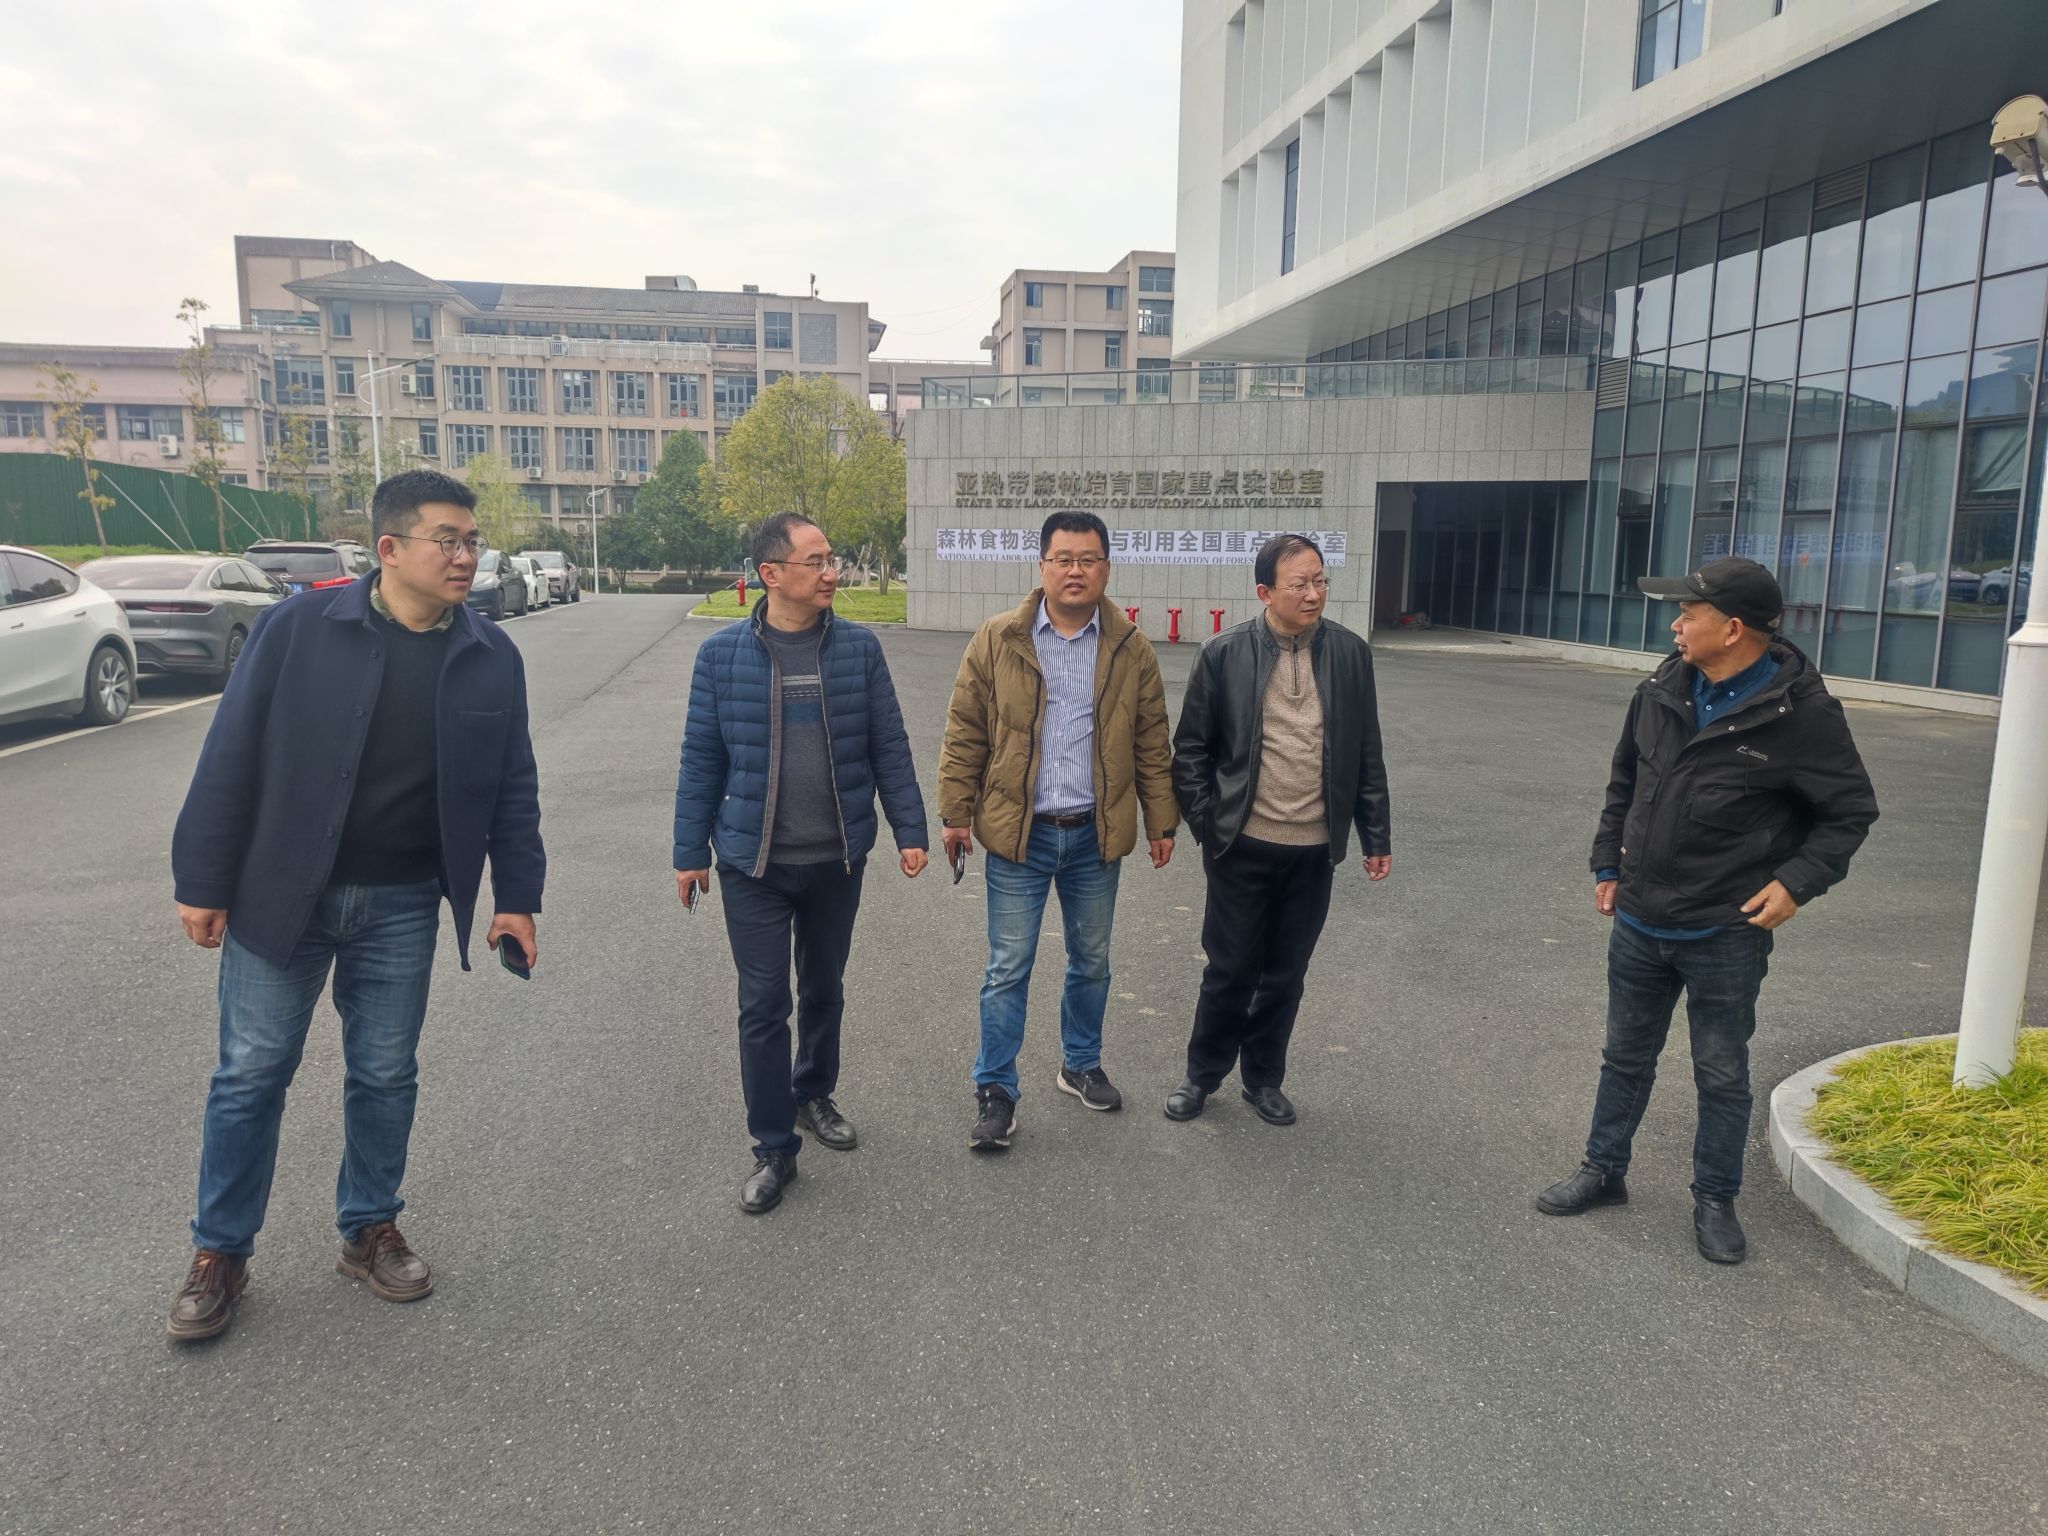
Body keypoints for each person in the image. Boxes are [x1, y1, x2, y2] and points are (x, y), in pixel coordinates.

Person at [165, 469, 544, 1342]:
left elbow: (512, 786)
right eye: (447, 540)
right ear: (389, 549)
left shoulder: (490, 654)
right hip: (279, 895)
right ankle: (220, 1250)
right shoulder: (298, 630)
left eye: (472, 540)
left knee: (384, 1073)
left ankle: (368, 1226)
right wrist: (202, 878)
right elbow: (231, 751)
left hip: (403, 901)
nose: (465, 556)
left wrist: (517, 897)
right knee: (250, 1074)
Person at [1537, 557, 1878, 1264]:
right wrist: (1608, 862)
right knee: (1624, 1057)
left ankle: (1715, 1198)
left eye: (1688, 614)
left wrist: (1794, 884)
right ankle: (1604, 1170)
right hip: (1640, 920)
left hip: (1725, 929)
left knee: (1720, 1073)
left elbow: (1849, 812)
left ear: (1732, 629)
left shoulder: (1802, 715)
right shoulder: (1660, 689)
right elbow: (1625, 781)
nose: (1674, 625)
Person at [674, 512, 928, 1214]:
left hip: (836, 857)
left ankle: (814, 1092)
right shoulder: (721, 656)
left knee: (823, 987)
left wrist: (910, 827)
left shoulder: (859, 649)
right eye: (815, 561)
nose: (830, 572)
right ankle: (772, 1146)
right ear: (771, 573)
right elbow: (702, 758)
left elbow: (889, 743)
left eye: (831, 559)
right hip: (752, 862)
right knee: (763, 1004)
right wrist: (689, 852)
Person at [938, 511, 1178, 1153]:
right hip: (1020, 833)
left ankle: (1080, 1063)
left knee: (1091, 961)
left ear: (1107, 568)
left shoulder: (1131, 648)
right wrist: (956, 814)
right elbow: (965, 731)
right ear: (1042, 565)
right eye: (1063, 559)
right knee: (1007, 967)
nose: (1076, 571)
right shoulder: (999, 639)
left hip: (1095, 835)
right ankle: (996, 1089)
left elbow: (1152, 741)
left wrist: (1161, 820)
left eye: (1088, 559)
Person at [1165, 533, 1391, 1127]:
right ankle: (1202, 1075)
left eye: (1320, 581)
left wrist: (1375, 835)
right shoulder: (1224, 653)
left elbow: (1366, 749)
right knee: (1229, 969)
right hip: (1241, 844)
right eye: (1300, 584)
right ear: (1265, 592)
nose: (1314, 594)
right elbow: (1190, 750)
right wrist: (1209, 824)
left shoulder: (1350, 654)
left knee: (1286, 975)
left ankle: (1263, 1079)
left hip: (1313, 851)